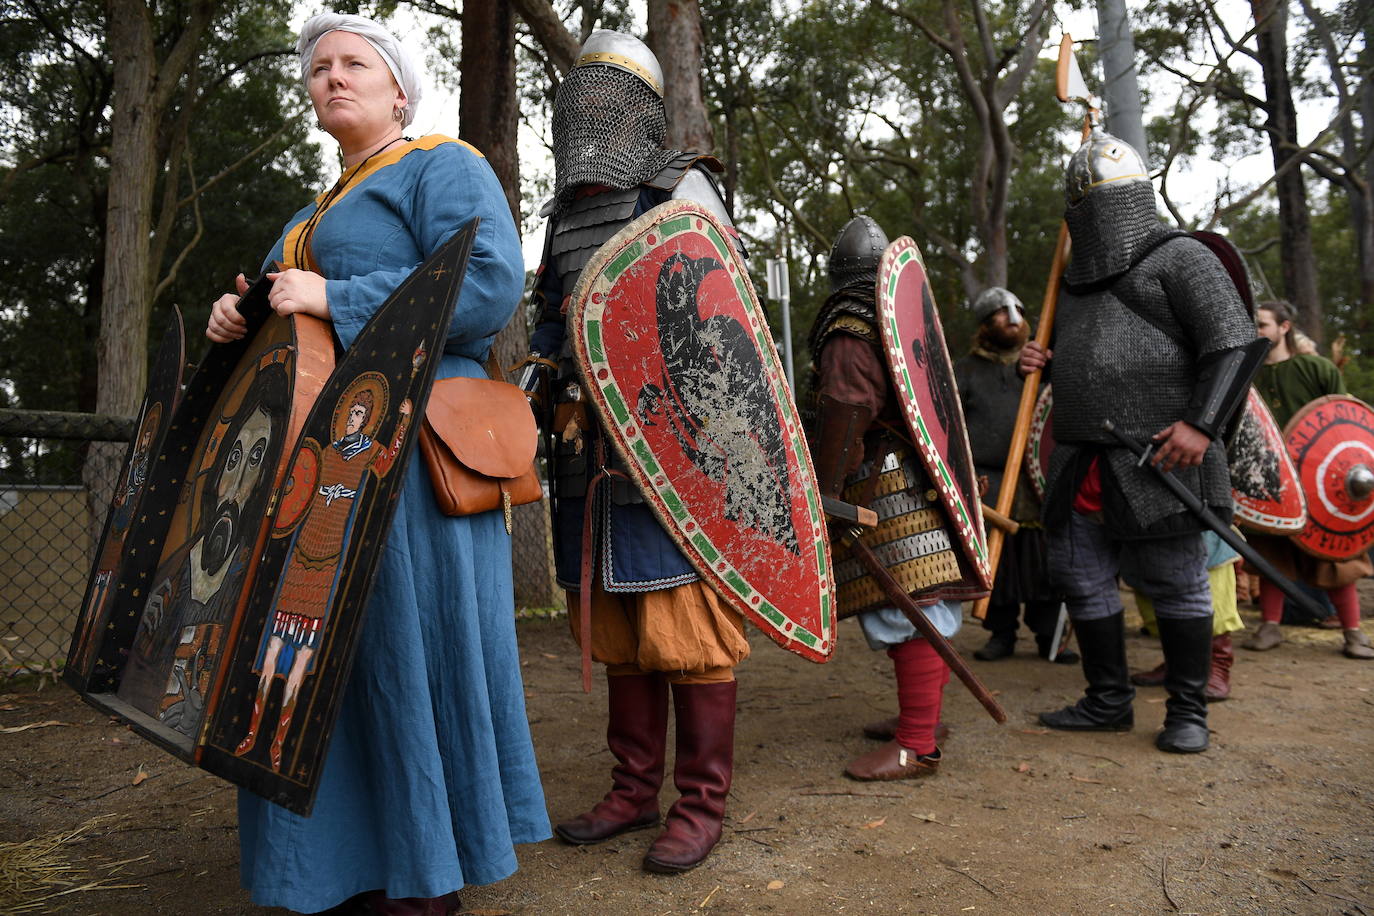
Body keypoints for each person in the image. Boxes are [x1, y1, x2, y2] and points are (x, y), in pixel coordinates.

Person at [205, 13, 548, 914]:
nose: (332, 77)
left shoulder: (442, 163)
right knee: (331, 661)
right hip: (315, 470)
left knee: (406, 650)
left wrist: (335, 294)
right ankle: (341, 869)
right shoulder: (306, 216)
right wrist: (241, 315)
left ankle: (424, 878)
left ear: (400, 89)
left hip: (411, 463)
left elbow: (487, 286)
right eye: (318, 68)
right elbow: (292, 324)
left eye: (355, 63)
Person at [521, 30, 745, 874]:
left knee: (685, 627)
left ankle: (700, 803)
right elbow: (552, 313)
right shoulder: (567, 213)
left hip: (670, 454)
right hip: (585, 448)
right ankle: (632, 789)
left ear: (639, 113)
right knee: (616, 626)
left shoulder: (680, 189)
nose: (587, 114)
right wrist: (538, 385)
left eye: (603, 97)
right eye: (576, 97)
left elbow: (724, 324)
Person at [1019, 126, 1258, 754]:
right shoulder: (1068, 283)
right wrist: (1044, 361)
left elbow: (1234, 346)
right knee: (1078, 573)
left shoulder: (1182, 258)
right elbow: (1092, 357)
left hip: (1161, 453)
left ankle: (1188, 711)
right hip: (1079, 455)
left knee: (1175, 581)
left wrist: (1202, 423)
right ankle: (1107, 701)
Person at [807, 214, 973, 781]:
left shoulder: (851, 329)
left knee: (910, 610)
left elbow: (845, 410)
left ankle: (916, 744)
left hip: (885, 482)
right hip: (920, 477)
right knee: (923, 602)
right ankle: (924, 719)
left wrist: (826, 491)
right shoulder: (895, 321)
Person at [1240, 300, 1373, 659]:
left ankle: (1353, 633)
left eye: (1263, 325)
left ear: (1284, 328)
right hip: (1273, 483)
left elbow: (1344, 420)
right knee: (1272, 555)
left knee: (1335, 560)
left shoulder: (1316, 368)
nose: (1257, 331)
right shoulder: (1249, 373)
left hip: (1322, 484)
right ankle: (1270, 626)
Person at [954, 287, 1076, 665]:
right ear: (984, 325)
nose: (1012, 318)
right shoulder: (965, 371)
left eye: (1018, 311)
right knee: (999, 563)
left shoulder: (1041, 368)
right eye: (1000, 313)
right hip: (990, 481)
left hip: (1037, 479)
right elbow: (951, 428)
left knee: (1044, 564)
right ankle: (1001, 634)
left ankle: (1048, 637)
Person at [1129, 531, 1244, 700]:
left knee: (1213, 595)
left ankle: (1217, 666)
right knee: (1154, 588)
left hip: (1199, 521)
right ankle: (1178, 665)